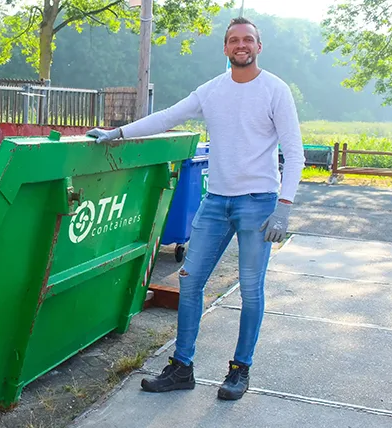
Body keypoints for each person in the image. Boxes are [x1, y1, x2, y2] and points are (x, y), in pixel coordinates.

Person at [87, 17, 305, 401]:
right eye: (234, 40)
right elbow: (165, 117)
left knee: (251, 290)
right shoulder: (211, 91)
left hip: (259, 203)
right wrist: (116, 134)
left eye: (248, 40)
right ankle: (182, 366)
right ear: (225, 48)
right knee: (190, 282)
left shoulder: (275, 90)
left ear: (258, 47)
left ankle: (240, 369)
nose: (241, 45)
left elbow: (295, 152)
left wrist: (284, 207)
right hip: (216, 202)